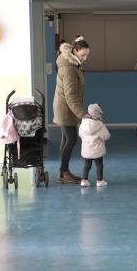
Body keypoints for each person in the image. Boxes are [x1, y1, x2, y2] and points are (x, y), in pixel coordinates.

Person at [53, 35, 90, 184]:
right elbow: (70, 96)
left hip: (65, 108)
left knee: (67, 139)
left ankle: (63, 171)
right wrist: (82, 114)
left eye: (87, 55)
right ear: (74, 51)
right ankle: (63, 172)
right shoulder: (69, 68)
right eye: (83, 55)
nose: (85, 58)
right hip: (66, 109)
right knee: (72, 139)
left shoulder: (71, 63)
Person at [78, 103, 110, 187]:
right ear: (98, 115)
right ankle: (99, 181)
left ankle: (84, 180)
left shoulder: (83, 124)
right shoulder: (100, 125)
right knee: (99, 165)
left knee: (86, 165)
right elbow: (106, 136)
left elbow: (80, 134)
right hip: (97, 151)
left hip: (86, 151)